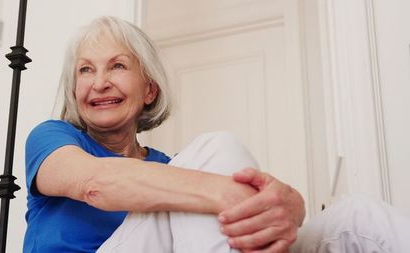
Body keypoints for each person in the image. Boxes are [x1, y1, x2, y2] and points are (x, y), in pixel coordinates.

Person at [23, 16, 410, 253]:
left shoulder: (172, 169)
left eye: (117, 66)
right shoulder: (53, 138)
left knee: (359, 217)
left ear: (150, 89)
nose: (100, 82)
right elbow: (95, 183)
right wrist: (227, 193)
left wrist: (289, 205)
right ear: (75, 89)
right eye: (86, 70)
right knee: (218, 148)